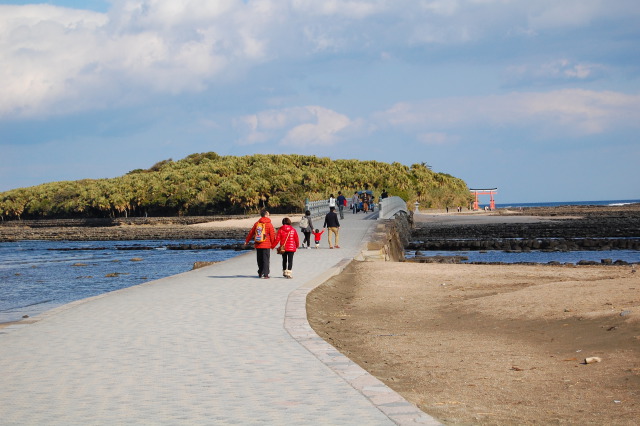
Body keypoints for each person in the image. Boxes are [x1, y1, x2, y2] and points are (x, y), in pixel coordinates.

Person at [244, 209, 277, 279]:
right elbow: (272, 235)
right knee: (266, 259)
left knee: (259, 259)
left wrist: (247, 241)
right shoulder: (269, 224)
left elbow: (251, 233)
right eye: (268, 215)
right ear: (265, 215)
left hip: (258, 244)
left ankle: (260, 272)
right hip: (267, 244)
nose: (269, 216)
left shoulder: (257, 224)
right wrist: (273, 245)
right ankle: (266, 274)